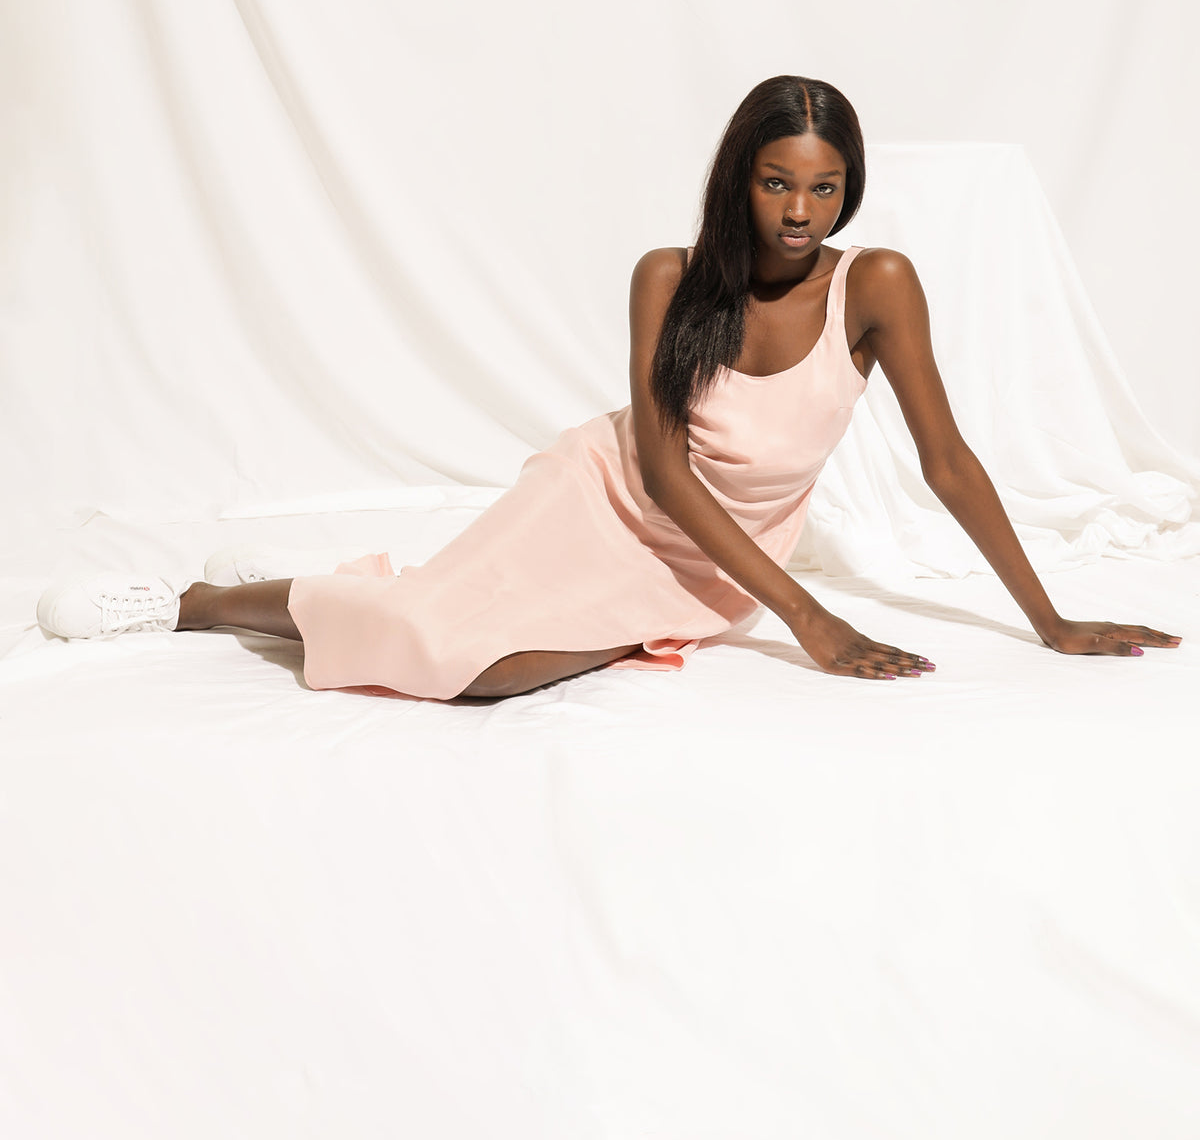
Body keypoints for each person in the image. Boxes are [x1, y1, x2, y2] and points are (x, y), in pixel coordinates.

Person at [37, 75, 1181, 695]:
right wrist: (814, 619)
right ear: (739, 179)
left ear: (851, 190)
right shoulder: (668, 276)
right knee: (441, 644)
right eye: (776, 182)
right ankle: (201, 603)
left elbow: (948, 461)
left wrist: (1050, 619)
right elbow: (663, 469)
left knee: (491, 667)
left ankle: (314, 596)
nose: (799, 210)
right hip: (608, 497)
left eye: (825, 187)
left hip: (724, 559)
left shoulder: (875, 283)